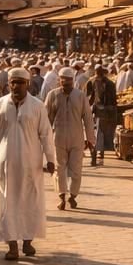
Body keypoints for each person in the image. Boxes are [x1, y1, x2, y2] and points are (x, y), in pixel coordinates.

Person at [0, 69, 56, 261]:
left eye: (20, 83)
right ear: (9, 84)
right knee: (7, 204)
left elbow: (46, 134)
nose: (16, 86)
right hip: (5, 165)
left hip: (30, 164)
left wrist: (50, 159)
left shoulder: (37, 106)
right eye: (13, 82)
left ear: (28, 84)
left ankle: (27, 242)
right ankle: (12, 245)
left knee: (30, 202)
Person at [45, 68, 95, 210]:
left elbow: (88, 118)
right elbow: (46, 119)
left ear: (72, 81)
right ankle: (62, 196)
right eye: (63, 80)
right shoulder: (52, 95)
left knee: (76, 169)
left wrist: (90, 139)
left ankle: (73, 196)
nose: (65, 83)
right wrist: (44, 139)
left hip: (76, 138)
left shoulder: (80, 96)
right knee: (59, 169)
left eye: (68, 81)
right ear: (59, 80)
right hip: (58, 138)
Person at [85, 64, 119, 165]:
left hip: (103, 112)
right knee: (97, 134)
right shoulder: (92, 81)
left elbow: (112, 100)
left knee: (99, 134)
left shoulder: (108, 83)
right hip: (97, 112)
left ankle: (96, 156)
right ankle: (96, 155)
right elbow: (88, 97)